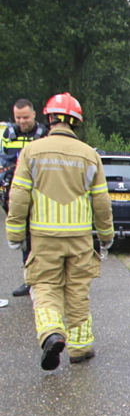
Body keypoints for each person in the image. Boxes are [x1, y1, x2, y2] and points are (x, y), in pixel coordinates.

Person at [5, 93, 113, 370]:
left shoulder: (32, 151)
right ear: (76, 122)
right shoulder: (90, 155)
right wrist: (106, 236)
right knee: (77, 291)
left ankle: (52, 333)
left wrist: (15, 234)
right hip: (79, 239)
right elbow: (101, 201)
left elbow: (19, 195)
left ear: (49, 118)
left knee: (45, 286)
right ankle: (80, 348)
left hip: (44, 238)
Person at [1, 99, 48, 297]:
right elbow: (3, 160)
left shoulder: (44, 134)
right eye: (18, 117)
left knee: (42, 238)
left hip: (39, 194)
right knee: (24, 239)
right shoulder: (8, 134)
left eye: (25, 117)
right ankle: (29, 280)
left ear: (34, 114)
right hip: (15, 193)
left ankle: (46, 280)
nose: (21, 121)